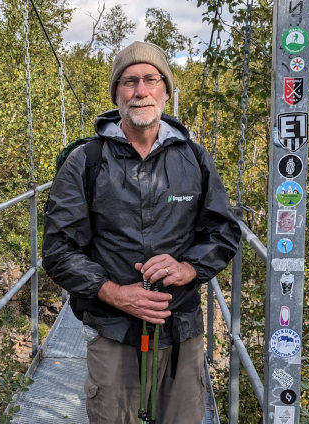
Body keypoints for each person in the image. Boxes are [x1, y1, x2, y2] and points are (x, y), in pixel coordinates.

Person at [42, 41, 241, 423]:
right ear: (116, 93)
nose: (141, 90)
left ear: (166, 89)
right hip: (113, 330)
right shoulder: (86, 161)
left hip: (180, 328)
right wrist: (114, 293)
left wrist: (188, 268)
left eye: (151, 79)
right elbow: (58, 248)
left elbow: (222, 231)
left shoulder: (195, 159)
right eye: (129, 81)